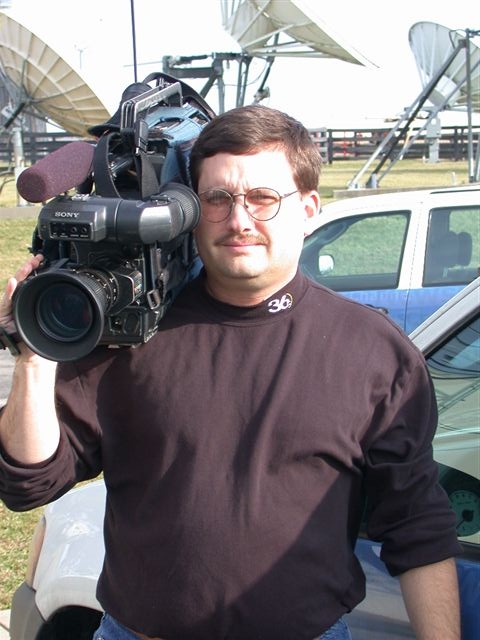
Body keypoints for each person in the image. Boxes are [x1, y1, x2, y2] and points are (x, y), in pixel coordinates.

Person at [0, 105, 461, 640]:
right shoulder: (131, 333)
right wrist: (35, 353)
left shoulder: (373, 351)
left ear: (308, 208)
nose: (239, 220)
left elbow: (417, 526)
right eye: (217, 199)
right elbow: (30, 481)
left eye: (263, 198)